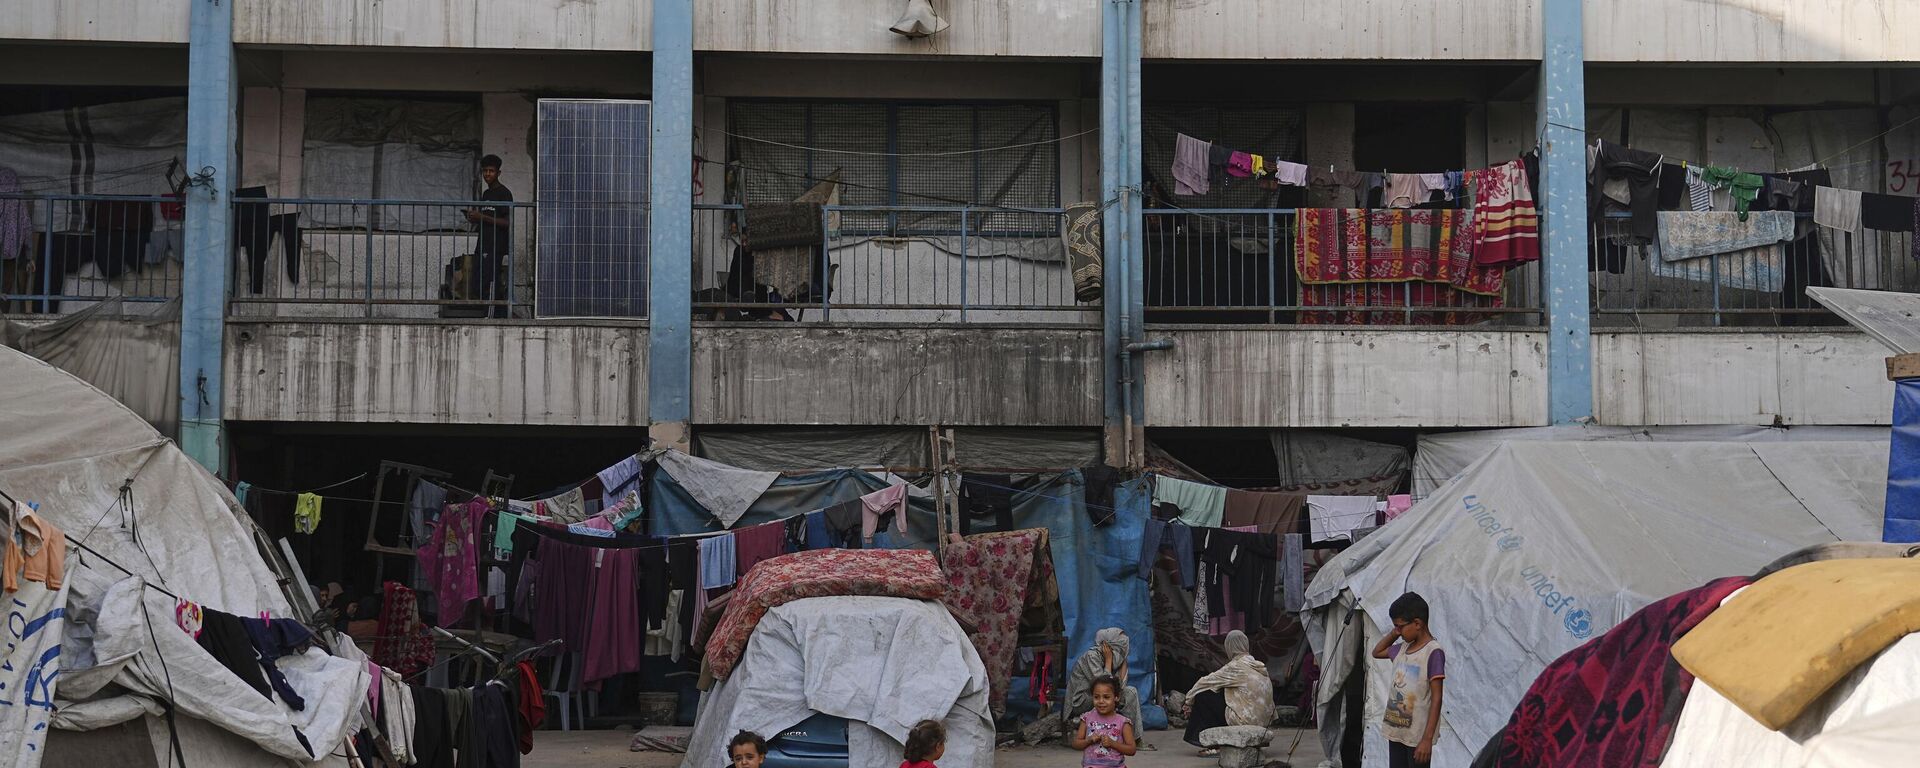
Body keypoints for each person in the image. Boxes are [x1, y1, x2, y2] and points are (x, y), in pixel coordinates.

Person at [1371, 592, 1446, 768]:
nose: (1398, 631)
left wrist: (1427, 740)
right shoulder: (1402, 649)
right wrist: (1395, 633)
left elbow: (1437, 698)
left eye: (1399, 626)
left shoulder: (1433, 652)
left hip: (1417, 738)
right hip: (1397, 731)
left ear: (1417, 623)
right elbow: (1377, 652)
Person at [1181, 629, 1274, 753]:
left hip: (1246, 720)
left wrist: (1188, 702)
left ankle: (1214, 744)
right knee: (1223, 690)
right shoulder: (1258, 666)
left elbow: (1204, 682)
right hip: (1264, 722)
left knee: (1204, 696)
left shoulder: (1236, 667)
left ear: (1229, 647)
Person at [1067, 628, 1143, 734]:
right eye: (1120, 641)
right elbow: (1103, 686)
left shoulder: (1116, 660)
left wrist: (1123, 662)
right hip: (1080, 701)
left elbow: (1119, 687)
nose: (1124, 644)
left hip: (1101, 697)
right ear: (1107, 644)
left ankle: (1134, 738)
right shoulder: (1091, 656)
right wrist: (1108, 661)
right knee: (1107, 694)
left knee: (1131, 692)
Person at [464, 154, 513, 317]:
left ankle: (493, 315)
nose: (487, 174)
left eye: (491, 171)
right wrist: (474, 217)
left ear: (498, 173)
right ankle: (492, 312)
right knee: (478, 281)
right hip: (483, 243)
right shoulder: (486, 194)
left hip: (496, 245)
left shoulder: (504, 193)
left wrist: (482, 217)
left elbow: (507, 222)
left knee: (490, 281)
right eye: (485, 171)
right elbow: (486, 219)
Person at [1073, 676, 1137, 768]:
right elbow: (1076, 744)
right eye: (1096, 697)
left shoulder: (1123, 722)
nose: (1101, 701)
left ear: (1116, 697)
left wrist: (1113, 743)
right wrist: (1089, 740)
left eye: (1106, 697)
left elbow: (1132, 750)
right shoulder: (1087, 718)